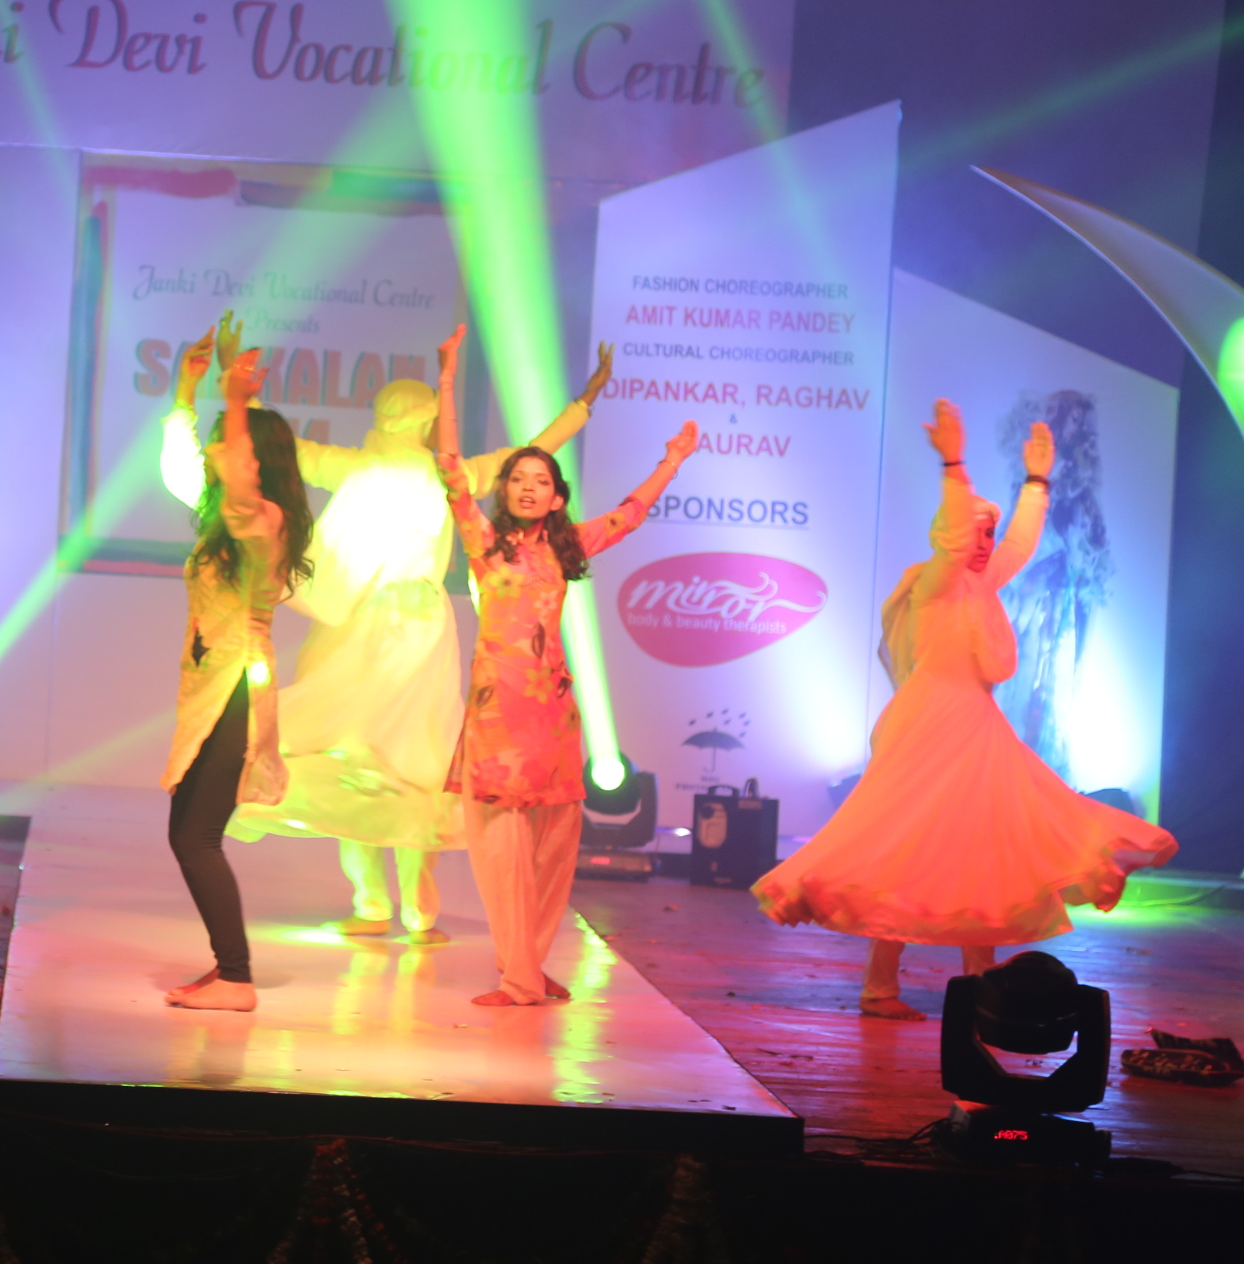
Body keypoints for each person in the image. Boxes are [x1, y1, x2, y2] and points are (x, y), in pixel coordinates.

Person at [754, 400, 1177, 1019]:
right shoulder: (935, 583)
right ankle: (884, 987)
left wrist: (1037, 482)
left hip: (975, 730)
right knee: (907, 851)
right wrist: (954, 465)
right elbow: (955, 537)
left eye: (988, 535)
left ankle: (976, 987)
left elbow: (1020, 544)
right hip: (930, 728)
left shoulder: (980, 583)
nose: (984, 545)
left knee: (982, 854)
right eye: (975, 534)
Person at [201, 336, 612, 944]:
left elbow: (285, 451)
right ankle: (413, 910)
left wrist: (239, 397)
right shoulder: (448, 474)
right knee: (409, 765)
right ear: (423, 418)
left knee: (358, 758)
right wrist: (583, 404)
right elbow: (531, 450)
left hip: (373, 625)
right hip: (408, 626)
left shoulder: (374, 467)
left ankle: (377, 904)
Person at [434, 325, 695, 1006]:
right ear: (505, 493)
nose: (527, 487)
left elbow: (631, 514)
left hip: (551, 718)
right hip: (498, 720)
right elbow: (449, 465)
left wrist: (672, 460)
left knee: (552, 853)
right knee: (501, 855)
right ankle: (517, 973)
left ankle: (528, 964)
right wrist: (448, 374)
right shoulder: (484, 543)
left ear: (556, 498)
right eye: (518, 479)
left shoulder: (567, 547)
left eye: (540, 480)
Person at [155, 313, 316, 1012]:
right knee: (185, 833)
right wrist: (185, 395)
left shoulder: (263, 521)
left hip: (236, 687)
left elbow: (240, 486)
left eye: (231, 446)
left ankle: (237, 977)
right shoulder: (226, 517)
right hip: (214, 685)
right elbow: (180, 467)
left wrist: (235, 397)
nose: (218, 454)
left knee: (197, 837)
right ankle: (229, 970)